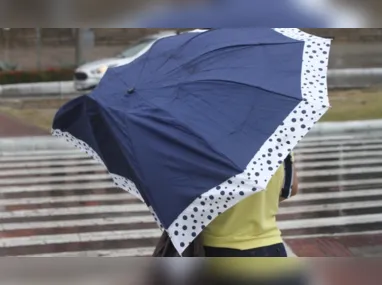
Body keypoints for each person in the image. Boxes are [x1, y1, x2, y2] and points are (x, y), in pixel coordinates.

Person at [202, 153, 298, 257]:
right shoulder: (278, 143)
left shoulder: (208, 148)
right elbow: (291, 189)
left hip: (221, 246)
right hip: (271, 244)